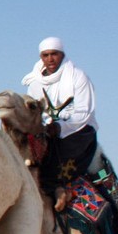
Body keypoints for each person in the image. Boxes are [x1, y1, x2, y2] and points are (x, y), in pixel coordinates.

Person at [22, 36, 99, 210]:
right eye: (45, 55)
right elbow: (33, 111)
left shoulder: (78, 77)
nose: (50, 59)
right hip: (47, 130)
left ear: (62, 54)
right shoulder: (35, 83)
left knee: (59, 157)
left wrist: (60, 127)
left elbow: (84, 112)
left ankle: (58, 186)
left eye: (54, 54)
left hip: (78, 129)